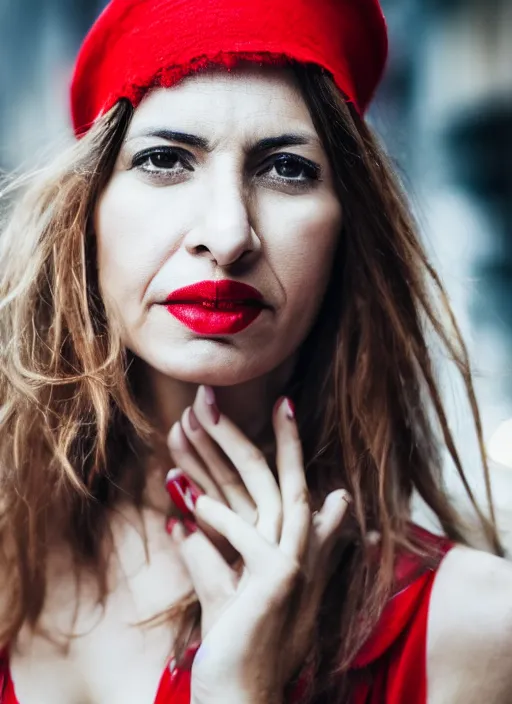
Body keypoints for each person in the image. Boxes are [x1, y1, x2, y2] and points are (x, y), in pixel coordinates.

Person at [1, 0, 512, 702]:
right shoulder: (10, 558)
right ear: (86, 214)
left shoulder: (473, 628)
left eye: (287, 170)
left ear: (347, 232)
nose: (228, 231)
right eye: (163, 160)